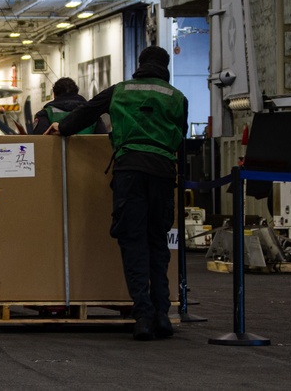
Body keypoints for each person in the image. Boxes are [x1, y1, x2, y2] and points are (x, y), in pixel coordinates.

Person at [46, 45, 187, 341]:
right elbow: (180, 135)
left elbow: (87, 112)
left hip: (130, 172)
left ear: (140, 64)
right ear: (166, 67)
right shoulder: (177, 97)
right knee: (157, 243)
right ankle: (163, 315)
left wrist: (63, 128)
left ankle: (144, 317)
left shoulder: (120, 90)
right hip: (163, 173)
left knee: (133, 240)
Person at [32, 77, 106, 135]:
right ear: (76, 93)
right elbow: (104, 140)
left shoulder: (45, 114)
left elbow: (38, 143)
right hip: (88, 154)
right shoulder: (91, 113)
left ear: (54, 95)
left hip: (55, 154)